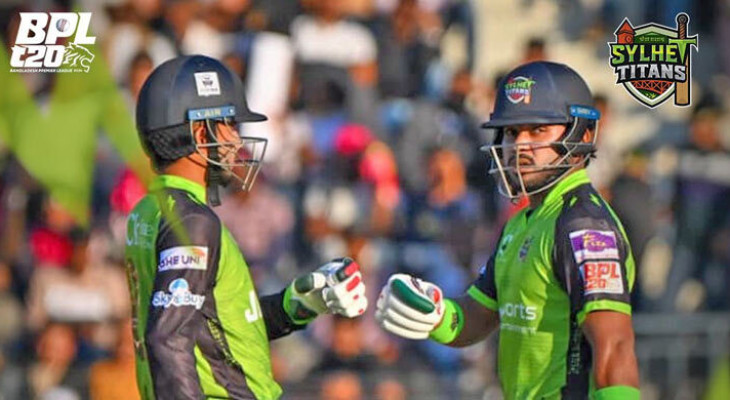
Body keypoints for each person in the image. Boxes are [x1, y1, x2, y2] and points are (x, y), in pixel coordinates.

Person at [376, 61, 640, 400]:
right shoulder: (521, 222)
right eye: (513, 132)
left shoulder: (584, 225)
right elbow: (478, 316)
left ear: (582, 135)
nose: (520, 146)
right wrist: (435, 314)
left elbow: (615, 346)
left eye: (537, 130)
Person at [125, 55, 368, 400]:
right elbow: (168, 338)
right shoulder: (192, 221)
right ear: (199, 132)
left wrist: (295, 305)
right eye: (229, 125)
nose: (237, 141)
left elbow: (216, 330)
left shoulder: (148, 210)